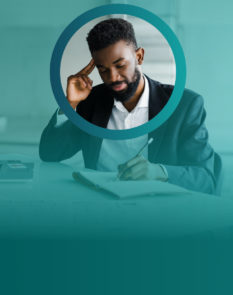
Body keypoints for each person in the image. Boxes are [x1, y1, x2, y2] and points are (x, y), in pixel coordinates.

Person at [39, 18, 222, 195]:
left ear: (139, 56)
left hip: (161, 213)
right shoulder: (91, 100)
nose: (113, 77)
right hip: (99, 208)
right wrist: (69, 104)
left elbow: (206, 179)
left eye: (120, 65)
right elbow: (50, 153)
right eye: (103, 69)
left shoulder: (184, 105)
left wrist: (159, 172)